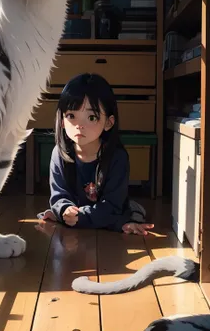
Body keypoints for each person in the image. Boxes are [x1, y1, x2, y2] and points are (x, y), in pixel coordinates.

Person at [39, 73, 154, 235]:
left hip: (108, 210)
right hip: (79, 212)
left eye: (91, 117)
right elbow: (59, 196)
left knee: (127, 213)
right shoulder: (59, 154)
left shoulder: (117, 157)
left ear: (109, 123)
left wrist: (82, 217)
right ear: (62, 121)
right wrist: (65, 210)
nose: (79, 125)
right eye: (71, 116)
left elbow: (112, 205)